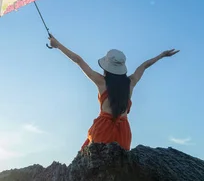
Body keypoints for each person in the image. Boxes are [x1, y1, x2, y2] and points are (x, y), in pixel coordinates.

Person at [48, 34, 179, 153]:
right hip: (123, 131)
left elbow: (78, 60)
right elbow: (144, 65)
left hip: (103, 129)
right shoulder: (130, 82)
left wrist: (57, 45)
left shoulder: (101, 82)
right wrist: (162, 55)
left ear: (107, 66)